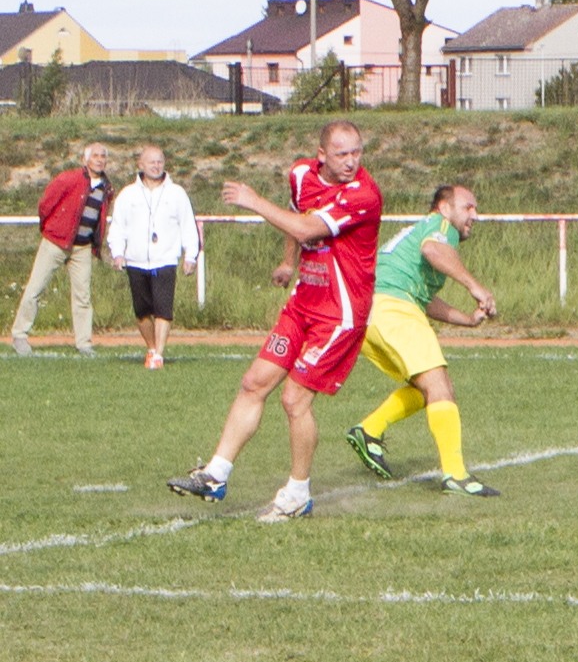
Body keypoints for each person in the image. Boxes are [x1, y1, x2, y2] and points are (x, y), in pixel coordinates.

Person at [167, 120, 383, 522]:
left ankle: (298, 494)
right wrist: (289, 261)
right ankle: (216, 474)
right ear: (322, 155)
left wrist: (252, 200)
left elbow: (306, 225)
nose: (352, 161)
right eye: (342, 154)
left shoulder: (363, 195)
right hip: (304, 303)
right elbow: (296, 217)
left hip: (340, 313)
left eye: (357, 152)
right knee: (254, 383)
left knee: (294, 398)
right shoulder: (302, 173)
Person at [344, 184, 502, 497]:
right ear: (445, 208)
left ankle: (369, 430)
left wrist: (467, 319)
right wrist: (475, 286)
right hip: (393, 309)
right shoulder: (441, 227)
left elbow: (424, 298)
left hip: (368, 314)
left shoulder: (421, 232)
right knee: (440, 387)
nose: (475, 215)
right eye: (468, 207)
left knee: (429, 388)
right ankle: (455, 475)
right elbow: (433, 251)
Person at [106, 145, 201, 369]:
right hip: (136, 261)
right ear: (141, 165)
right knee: (142, 312)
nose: (156, 166)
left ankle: (159, 354)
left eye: (160, 161)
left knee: (163, 309)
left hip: (165, 259)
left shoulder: (176, 193)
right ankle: (151, 347)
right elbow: (118, 227)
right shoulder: (128, 194)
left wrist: (191, 255)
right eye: (151, 162)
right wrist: (118, 253)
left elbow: (188, 225)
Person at [11, 142, 111, 356]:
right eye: (95, 156)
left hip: (82, 247)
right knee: (35, 288)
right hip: (56, 242)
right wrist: (51, 229)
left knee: (83, 296)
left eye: (103, 156)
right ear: (85, 159)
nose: (100, 159)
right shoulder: (69, 178)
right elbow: (46, 204)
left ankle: (84, 343)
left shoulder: (106, 187)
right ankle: (20, 335)